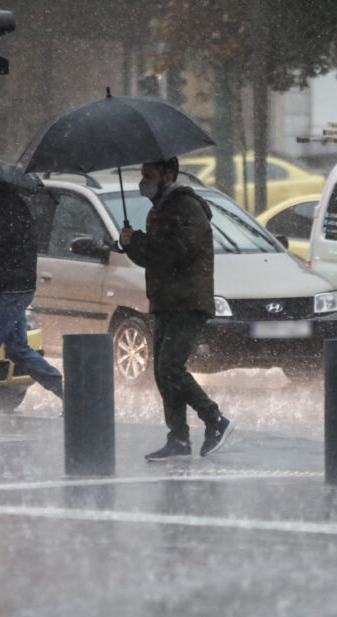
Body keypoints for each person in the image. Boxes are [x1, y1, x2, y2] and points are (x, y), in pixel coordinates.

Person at [119, 158, 235, 461]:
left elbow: (180, 252)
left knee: (170, 367)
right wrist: (131, 244)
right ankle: (178, 438)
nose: (143, 180)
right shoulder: (157, 211)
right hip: (165, 302)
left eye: (149, 175)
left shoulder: (185, 206)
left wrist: (143, 242)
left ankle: (215, 419)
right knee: (161, 372)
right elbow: (154, 259)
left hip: (188, 301)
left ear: (168, 175)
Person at [0, 178, 64, 413]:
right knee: (16, 349)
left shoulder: (6, 209)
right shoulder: (3, 206)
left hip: (12, 288)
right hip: (10, 286)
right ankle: (66, 391)